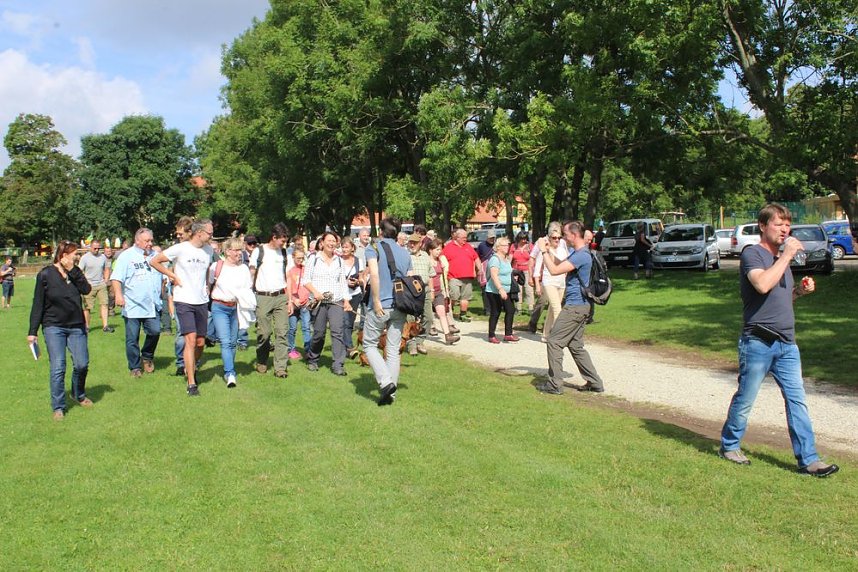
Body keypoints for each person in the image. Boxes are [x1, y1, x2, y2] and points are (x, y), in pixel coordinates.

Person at [719, 203, 839, 477]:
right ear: (763, 226)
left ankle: (809, 460)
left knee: (797, 401)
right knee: (746, 398)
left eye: (787, 224)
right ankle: (730, 445)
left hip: (787, 344)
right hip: (758, 342)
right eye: (778, 224)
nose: (785, 229)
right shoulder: (753, 254)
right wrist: (786, 256)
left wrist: (798, 292)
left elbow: (779, 298)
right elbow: (761, 284)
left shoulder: (780, 260)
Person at [536, 220, 605, 395]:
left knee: (554, 341)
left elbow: (554, 270)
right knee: (575, 345)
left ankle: (555, 384)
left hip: (575, 307)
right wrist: (549, 251)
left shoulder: (581, 255)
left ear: (574, 235)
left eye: (565, 235)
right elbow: (561, 264)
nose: (563, 238)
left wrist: (542, 251)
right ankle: (594, 382)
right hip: (582, 306)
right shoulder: (580, 253)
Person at [28, 240, 93, 420]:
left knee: (82, 364)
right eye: (75, 254)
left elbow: (86, 289)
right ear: (64, 255)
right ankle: (58, 406)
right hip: (53, 326)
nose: (77, 256)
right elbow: (38, 304)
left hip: (76, 326)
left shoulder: (75, 272)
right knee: (58, 367)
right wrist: (32, 331)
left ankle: (78, 394)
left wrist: (72, 270)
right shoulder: (45, 274)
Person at [150, 219, 214, 397]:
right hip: (183, 299)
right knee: (190, 340)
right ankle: (191, 383)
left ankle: (190, 365)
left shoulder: (209, 250)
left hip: (201, 300)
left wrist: (207, 285)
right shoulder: (180, 248)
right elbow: (155, 261)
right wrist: (172, 276)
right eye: (209, 233)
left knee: (200, 342)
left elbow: (206, 270)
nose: (212, 236)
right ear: (199, 233)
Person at [363, 217, 413, 406]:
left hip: (380, 304)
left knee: (369, 344)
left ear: (380, 231)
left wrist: (376, 300)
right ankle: (391, 395)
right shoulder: (405, 253)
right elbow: (410, 279)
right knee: (393, 349)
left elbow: (374, 274)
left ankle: (385, 383)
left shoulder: (373, 248)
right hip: (400, 305)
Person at [110, 228, 162, 378]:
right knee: (132, 338)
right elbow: (116, 278)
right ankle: (134, 367)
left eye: (151, 240)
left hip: (152, 304)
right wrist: (118, 295)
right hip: (132, 304)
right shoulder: (126, 256)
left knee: (155, 331)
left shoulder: (155, 256)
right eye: (146, 241)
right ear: (137, 241)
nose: (150, 243)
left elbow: (162, 274)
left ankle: (147, 356)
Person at [302, 231, 351, 375]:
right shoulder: (313, 259)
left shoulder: (339, 260)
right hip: (319, 302)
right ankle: (313, 358)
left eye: (334, 241)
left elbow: (342, 282)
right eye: (329, 240)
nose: (331, 243)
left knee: (337, 332)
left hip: (335, 301)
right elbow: (306, 280)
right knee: (319, 333)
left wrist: (346, 300)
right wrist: (315, 292)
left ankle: (338, 365)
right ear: (322, 243)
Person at [209, 237, 254, 388]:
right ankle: (230, 373)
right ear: (228, 251)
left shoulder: (243, 269)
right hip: (219, 307)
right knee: (225, 341)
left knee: (233, 342)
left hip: (236, 308)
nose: (239, 253)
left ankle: (229, 368)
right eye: (236, 250)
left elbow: (247, 288)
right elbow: (208, 283)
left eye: (241, 250)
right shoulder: (217, 266)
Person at [249, 223, 292, 378]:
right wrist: (249, 294)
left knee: (282, 332)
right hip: (263, 296)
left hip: (281, 296)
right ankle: (262, 360)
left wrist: (290, 300)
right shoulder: (259, 251)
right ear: (274, 237)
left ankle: (280, 367)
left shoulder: (285, 253)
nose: (284, 244)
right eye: (282, 240)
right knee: (264, 333)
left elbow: (288, 277)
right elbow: (251, 272)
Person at [528, 222, 567, 340]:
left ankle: (545, 335)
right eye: (554, 238)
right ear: (549, 237)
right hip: (549, 281)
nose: (557, 240)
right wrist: (536, 283)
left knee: (552, 309)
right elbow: (536, 264)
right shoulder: (542, 246)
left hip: (561, 281)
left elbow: (564, 261)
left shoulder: (562, 245)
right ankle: (558, 336)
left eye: (559, 237)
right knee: (557, 309)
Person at [484, 236, 520, 344]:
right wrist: (500, 289)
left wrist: (514, 275)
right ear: (498, 247)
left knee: (510, 310)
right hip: (494, 291)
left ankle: (508, 334)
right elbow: (494, 275)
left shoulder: (506, 259)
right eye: (504, 245)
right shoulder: (495, 259)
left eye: (508, 245)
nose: (507, 247)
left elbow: (507, 271)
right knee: (496, 312)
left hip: (507, 290)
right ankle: (491, 335)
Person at [425, 238, 460, 344]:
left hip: (438, 291)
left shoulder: (440, 261)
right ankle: (418, 335)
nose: (439, 252)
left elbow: (442, 277)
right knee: (426, 316)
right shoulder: (426, 260)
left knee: (442, 312)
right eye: (437, 249)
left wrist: (445, 290)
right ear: (430, 250)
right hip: (427, 291)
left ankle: (448, 335)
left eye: (440, 249)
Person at [442, 228, 481, 322]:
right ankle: (449, 311)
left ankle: (463, 314)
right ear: (457, 237)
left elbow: (476, 258)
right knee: (454, 295)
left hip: (467, 276)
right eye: (463, 237)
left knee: (465, 296)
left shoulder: (468, 246)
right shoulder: (448, 247)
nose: (465, 239)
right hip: (453, 276)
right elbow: (442, 259)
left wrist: (479, 269)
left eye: (466, 237)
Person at [78, 240, 115, 333]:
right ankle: (86, 327)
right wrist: (84, 283)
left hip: (101, 284)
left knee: (104, 304)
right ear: (90, 247)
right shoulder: (84, 258)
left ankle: (105, 326)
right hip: (89, 285)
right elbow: (79, 271)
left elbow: (107, 268)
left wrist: (106, 280)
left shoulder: (103, 257)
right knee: (87, 307)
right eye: (95, 248)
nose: (97, 250)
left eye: (98, 248)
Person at [406, 233, 433, 356]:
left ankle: (420, 341)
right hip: (411, 290)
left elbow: (431, 274)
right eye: (410, 242)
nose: (412, 245)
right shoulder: (405, 256)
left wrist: (431, 291)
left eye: (415, 243)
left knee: (428, 317)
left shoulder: (426, 256)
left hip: (425, 289)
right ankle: (411, 344)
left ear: (420, 244)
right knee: (410, 319)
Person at [339, 236, 365, 359]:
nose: (344, 249)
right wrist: (345, 282)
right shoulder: (338, 261)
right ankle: (350, 348)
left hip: (355, 294)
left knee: (350, 322)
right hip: (342, 295)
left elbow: (362, 277)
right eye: (343, 247)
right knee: (344, 321)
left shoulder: (358, 261)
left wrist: (357, 282)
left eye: (346, 247)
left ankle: (345, 349)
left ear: (352, 248)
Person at [286, 247, 312, 361]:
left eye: (302, 258)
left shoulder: (306, 270)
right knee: (292, 328)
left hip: (305, 303)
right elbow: (287, 288)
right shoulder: (290, 271)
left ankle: (308, 350)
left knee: (306, 327)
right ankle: (291, 349)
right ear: (293, 257)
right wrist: (292, 300)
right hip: (293, 304)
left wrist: (309, 299)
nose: (300, 260)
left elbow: (310, 285)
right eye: (298, 258)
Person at [510, 231, 534, 315]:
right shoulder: (513, 246)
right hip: (517, 270)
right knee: (518, 289)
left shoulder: (530, 246)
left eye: (525, 239)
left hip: (527, 270)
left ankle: (531, 308)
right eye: (522, 239)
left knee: (529, 289)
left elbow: (533, 258)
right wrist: (510, 269)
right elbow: (510, 258)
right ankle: (518, 308)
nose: (524, 240)